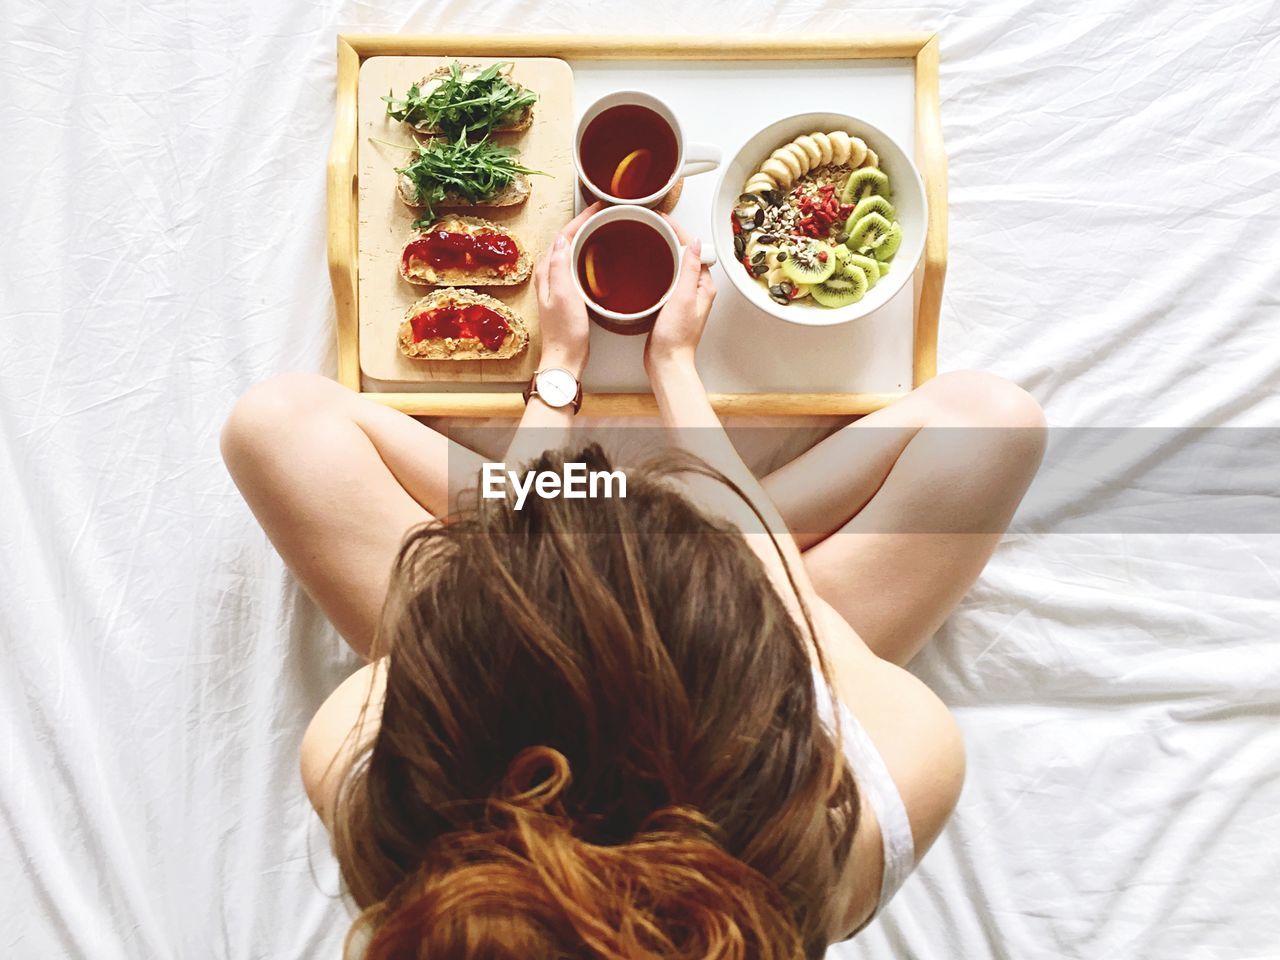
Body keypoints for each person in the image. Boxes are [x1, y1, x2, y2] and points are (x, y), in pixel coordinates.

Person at [219, 203, 1045, 959]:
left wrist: (559, 377)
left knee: (275, 425)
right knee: (994, 424)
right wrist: (677, 374)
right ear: (767, 671)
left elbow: (482, 578)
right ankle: (663, 504)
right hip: (745, 623)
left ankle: (650, 504)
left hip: (589, 607)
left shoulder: (365, 775)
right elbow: (767, 569)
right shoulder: (873, 800)